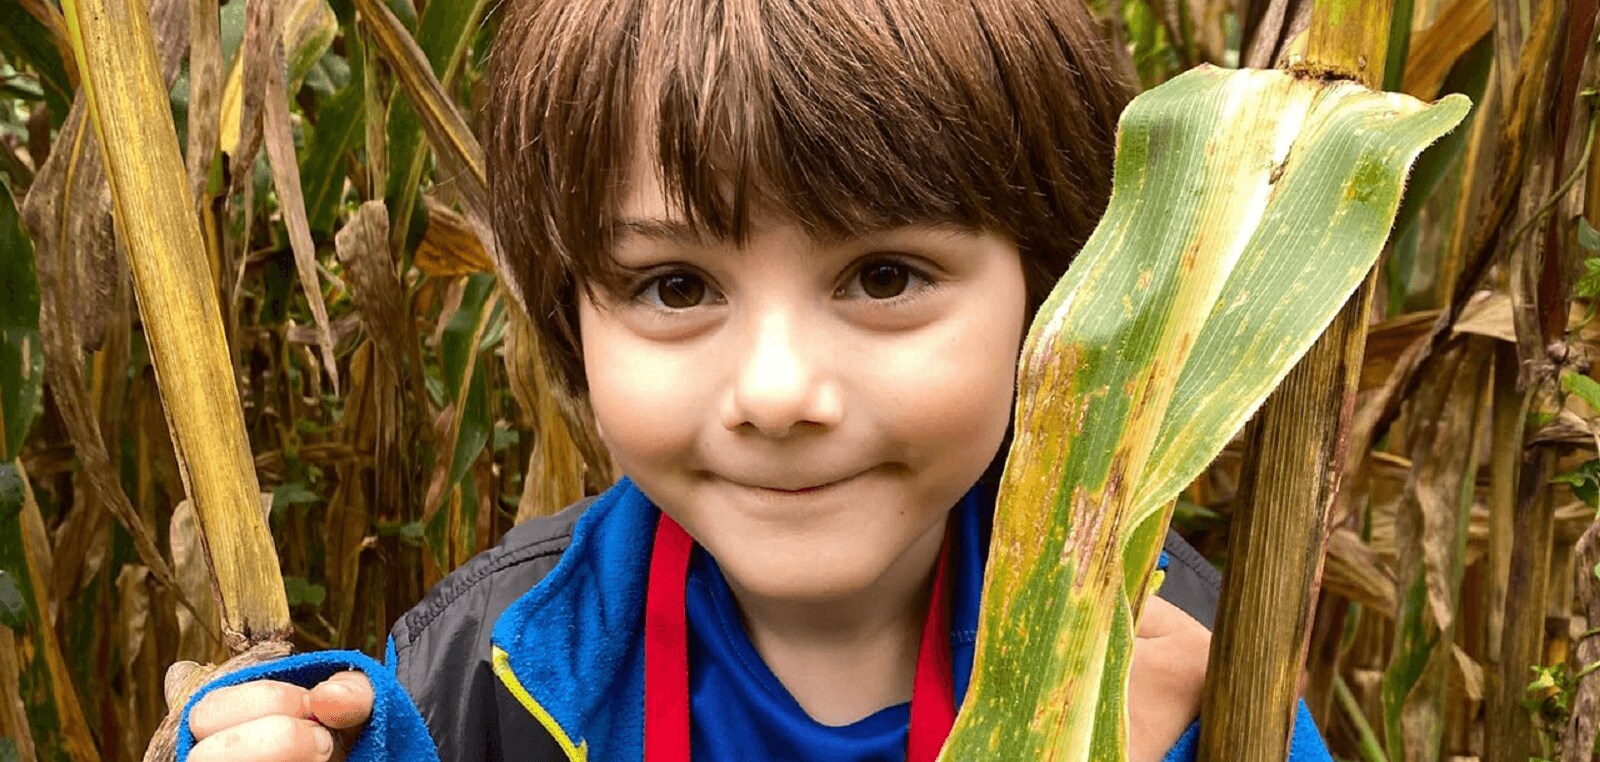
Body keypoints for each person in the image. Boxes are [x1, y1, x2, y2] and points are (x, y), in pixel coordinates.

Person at [179, 1, 1334, 760]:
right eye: (675, 288)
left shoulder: (1185, 684)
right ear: (570, 317)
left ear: (1064, 299)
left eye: (884, 275)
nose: (777, 392)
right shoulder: (478, 678)